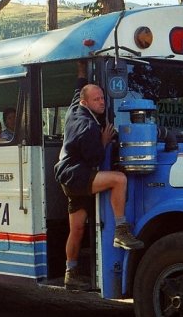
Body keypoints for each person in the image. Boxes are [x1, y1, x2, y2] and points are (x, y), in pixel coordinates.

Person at [54, 62, 144, 291]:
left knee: (77, 229)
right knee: (118, 179)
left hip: (68, 176)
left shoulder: (76, 108)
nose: (102, 102)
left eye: (102, 98)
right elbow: (94, 159)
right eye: (97, 100)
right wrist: (104, 141)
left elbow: (79, 88)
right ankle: (121, 231)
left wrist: (81, 71)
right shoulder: (88, 126)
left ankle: (70, 272)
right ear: (87, 103)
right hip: (77, 175)